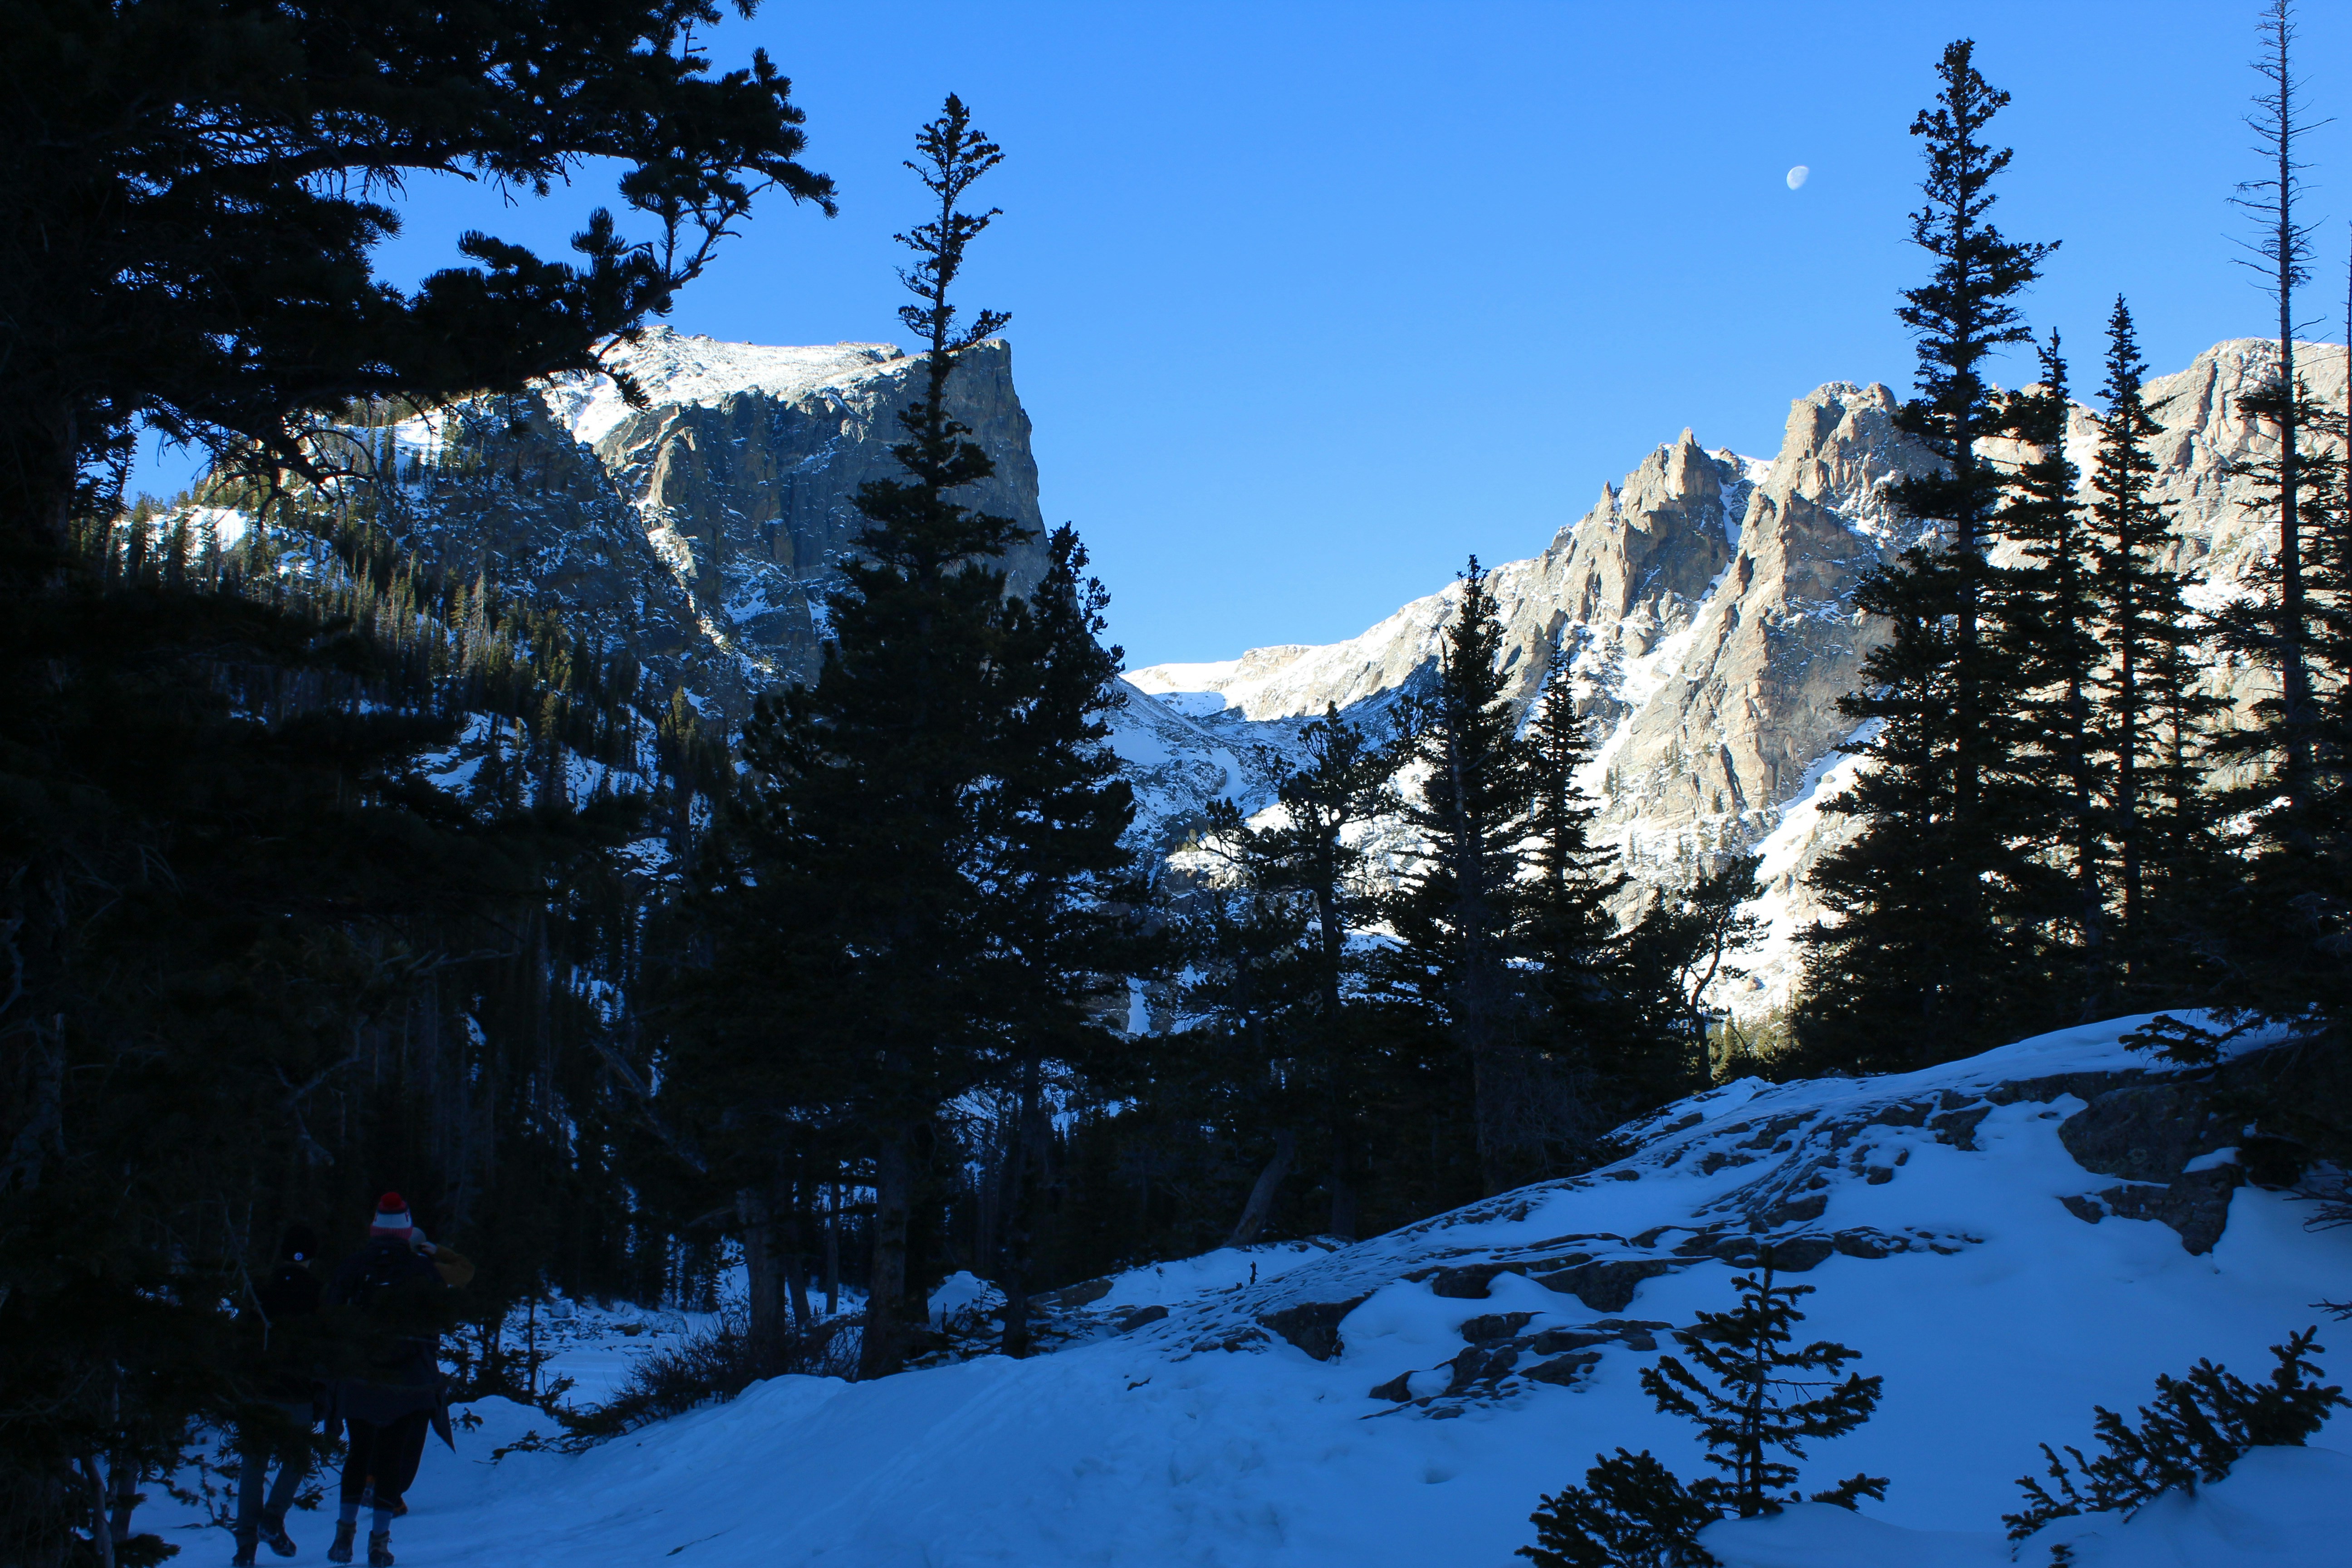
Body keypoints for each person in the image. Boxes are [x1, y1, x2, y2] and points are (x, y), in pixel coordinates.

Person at [322, 1194, 474, 1568]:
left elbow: (329, 1312)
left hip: (360, 1375)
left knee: (358, 1453)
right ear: (407, 1228)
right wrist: (438, 1251)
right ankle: (379, 1543)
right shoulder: (424, 1268)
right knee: (392, 1458)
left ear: (375, 1227)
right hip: (411, 1379)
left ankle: (344, 1534)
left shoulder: (354, 1266)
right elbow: (466, 1272)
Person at [233, 1225, 325, 1566]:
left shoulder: (262, 1289)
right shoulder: (317, 1293)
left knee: (253, 1466)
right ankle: (273, 1516)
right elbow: (325, 1345)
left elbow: (243, 1336)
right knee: (297, 1459)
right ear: (311, 1257)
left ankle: (246, 1546)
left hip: (258, 1389)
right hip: (297, 1390)